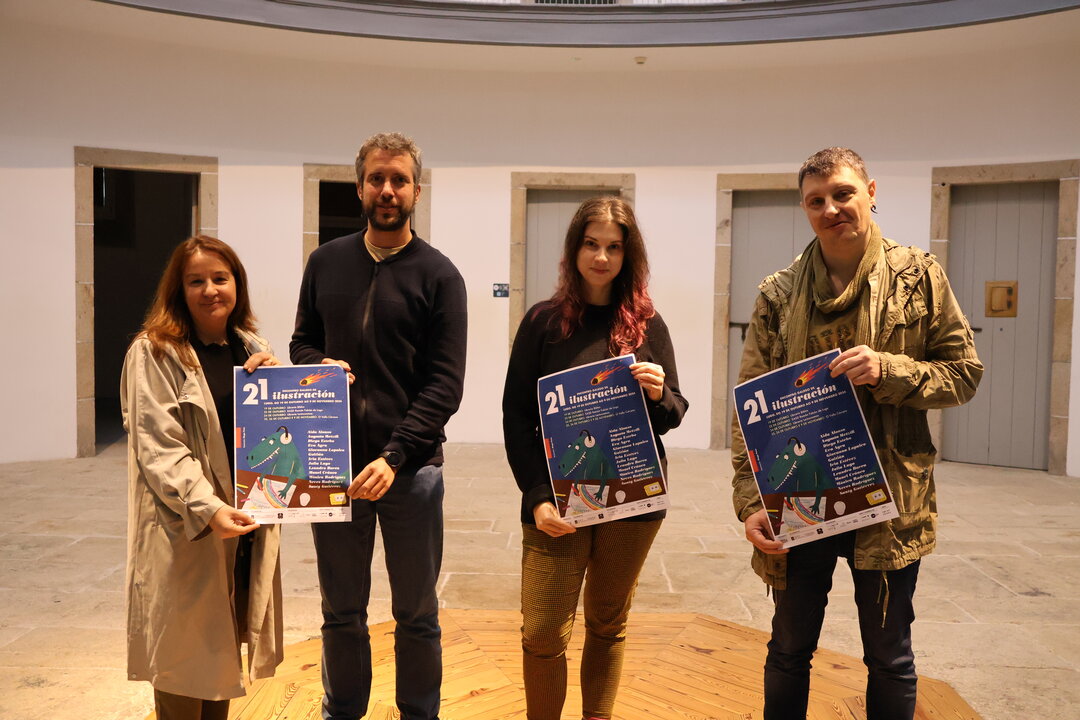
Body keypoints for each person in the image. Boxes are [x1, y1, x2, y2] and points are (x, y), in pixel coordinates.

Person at [731, 147, 983, 720]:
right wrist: (750, 502)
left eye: (843, 193)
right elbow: (749, 409)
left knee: (890, 657)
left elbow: (964, 374)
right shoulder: (778, 293)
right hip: (801, 496)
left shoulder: (918, 277)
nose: (831, 209)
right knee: (789, 650)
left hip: (890, 500)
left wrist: (889, 369)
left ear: (871, 192)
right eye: (816, 201)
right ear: (804, 209)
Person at [290, 131, 467, 720]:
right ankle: (342, 711)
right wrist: (318, 367)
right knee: (341, 612)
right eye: (375, 179)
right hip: (331, 468)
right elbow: (301, 344)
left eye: (399, 180)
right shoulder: (325, 262)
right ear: (359, 185)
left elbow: (445, 387)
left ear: (417, 189)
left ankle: (419, 713)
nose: (386, 190)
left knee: (417, 614)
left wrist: (393, 458)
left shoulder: (441, 277)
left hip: (410, 474)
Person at [503, 195, 688, 720]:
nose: (601, 257)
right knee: (542, 632)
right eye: (591, 244)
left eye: (613, 247)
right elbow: (517, 417)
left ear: (629, 255)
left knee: (608, 625)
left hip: (632, 501)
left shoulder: (648, 325)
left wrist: (658, 394)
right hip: (558, 504)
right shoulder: (542, 322)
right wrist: (537, 498)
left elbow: (675, 411)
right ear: (574, 248)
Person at [121, 235, 284, 720]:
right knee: (181, 666)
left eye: (220, 278)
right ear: (178, 289)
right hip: (188, 531)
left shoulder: (253, 348)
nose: (211, 289)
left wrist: (302, 384)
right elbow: (159, 447)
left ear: (237, 285)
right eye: (197, 281)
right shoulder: (154, 352)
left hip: (244, 528)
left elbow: (279, 435)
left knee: (220, 661)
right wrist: (209, 509)